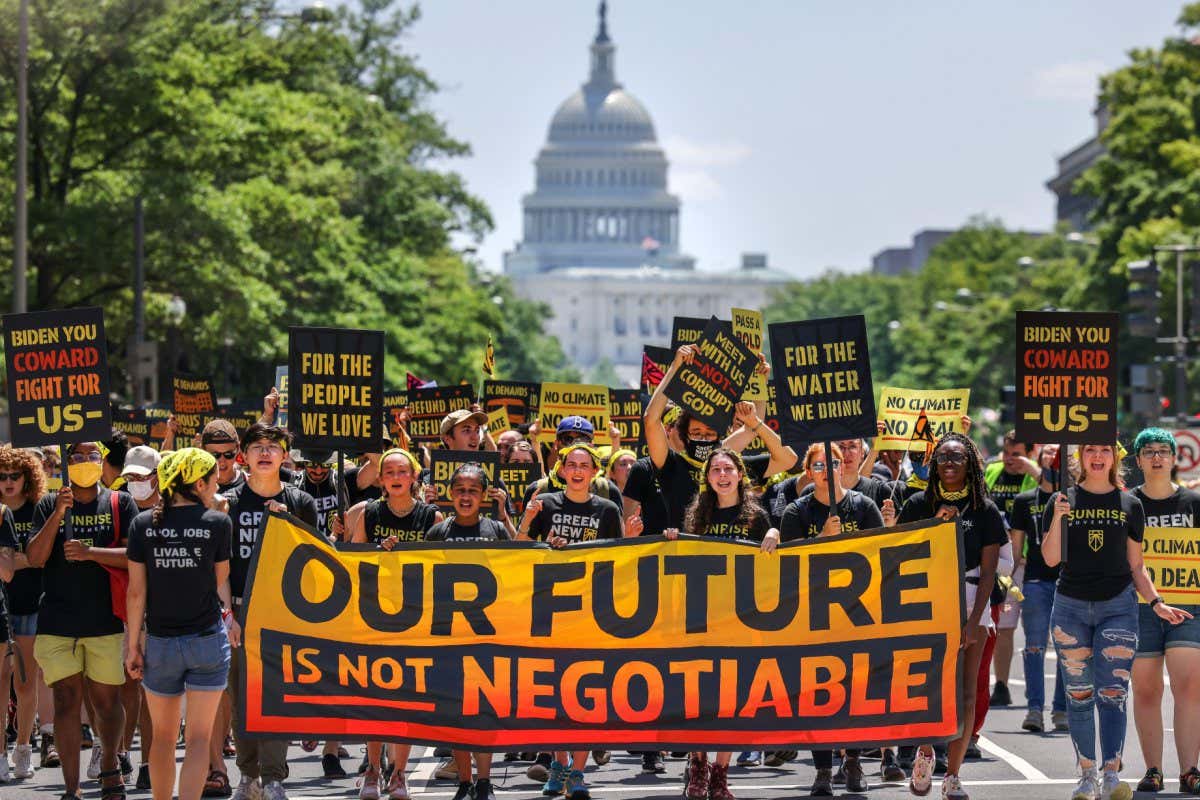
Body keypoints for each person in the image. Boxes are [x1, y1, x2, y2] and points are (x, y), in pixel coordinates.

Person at [1042, 443, 1192, 800]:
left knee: (1113, 694)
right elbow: (1050, 559)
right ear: (1080, 456)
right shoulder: (1061, 500)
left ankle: (1111, 774)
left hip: (1118, 607)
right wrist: (1060, 517)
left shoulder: (1130, 504)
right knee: (1079, 695)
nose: (1098, 456)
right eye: (1090, 450)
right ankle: (1086, 775)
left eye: (1105, 451)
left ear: (1115, 458)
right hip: (1070, 608)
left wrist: (1156, 602)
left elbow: (1137, 565)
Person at [662, 447, 776, 800]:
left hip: (743, 619)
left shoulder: (757, 516)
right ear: (707, 477)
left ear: (740, 474)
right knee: (700, 696)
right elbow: (684, 559)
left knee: (734, 698)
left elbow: (776, 558)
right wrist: (672, 542)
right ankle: (698, 765)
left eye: (728, 468)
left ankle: (721, 773)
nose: (722, 475)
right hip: (701, 616)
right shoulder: (697, 514)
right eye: (715, 470)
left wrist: (775, 533)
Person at [125, 448, 239, 800]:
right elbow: (219, 577)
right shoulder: (218, 522)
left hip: (160, 642)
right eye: (213, 480)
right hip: (206, 640)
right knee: (199, 739)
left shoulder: (142, 524)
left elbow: (136, 592)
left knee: (162, 737)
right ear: (199, 483)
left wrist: (133, 645)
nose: (217, 486)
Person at [27, 441, 138, 800]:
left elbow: (135, 557)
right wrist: (59, 513)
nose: (86, 461)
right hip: (58, 621)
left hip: (105, 620)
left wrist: (91, 553)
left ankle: (110, 764)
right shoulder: (49, 504)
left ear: (102, 461)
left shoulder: (120, 502)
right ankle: (71, 788)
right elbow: (35, 557)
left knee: (107, 703)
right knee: (65, 701)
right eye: (77, 456)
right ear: (67, 462)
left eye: (93, 456)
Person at [517, 443, 627, 800]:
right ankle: (559, 765)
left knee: (586, 696)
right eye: (571, 465)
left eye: (584, 465)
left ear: (595, 471)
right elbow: (518, 550)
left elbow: (620, 558)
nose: (578, 471)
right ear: (561, 470)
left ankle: (578, 772)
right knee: (552, 695)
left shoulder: (608, 509)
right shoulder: (545, 503)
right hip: (549, 612)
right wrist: (529, 524)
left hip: (591, 613)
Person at [898, 433, 1004, 800]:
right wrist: (934, 525)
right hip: (926, 599)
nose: (949, 463)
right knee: (929, 687)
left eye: (957, 457)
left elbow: (989, 572)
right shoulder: (918, 504)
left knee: (967, 693)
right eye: (943, 456)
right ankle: (926, 751)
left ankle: (953, 775)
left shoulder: (985, 509)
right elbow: (899, 554)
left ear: (970, 463)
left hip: (972, 599)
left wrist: (973, 622)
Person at [779, 443, 882, 795]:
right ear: (809, 472)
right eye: (819, 465)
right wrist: (822, 539)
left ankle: (852, 761)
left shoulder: (863, 506)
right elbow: (788, 564)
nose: (827, 470)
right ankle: (822, 769)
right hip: (813, 615)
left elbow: (881, 552)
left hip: (857, 615)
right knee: (817, 693)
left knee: (854, 692)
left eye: (833, 463)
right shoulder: (796, 511)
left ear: (842, 467)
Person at [223, 424, 318, 800]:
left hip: (283, 612)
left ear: (285, 456)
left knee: (276, 696)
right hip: (238, 612)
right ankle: (248, 776)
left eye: (273, 447)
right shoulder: (227, 502)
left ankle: (274, 778)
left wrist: (287, 523)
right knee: (241, 699)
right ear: (243, 455)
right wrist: (228, 615)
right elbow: (219, 566)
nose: (265, 452)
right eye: (257, 446)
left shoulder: (301, 502)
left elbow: (313, 561)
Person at [342, 448, 442, 800]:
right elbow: (355, 560)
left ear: (414, 477)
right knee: (376, 698)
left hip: (416, 620)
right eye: (389, 472)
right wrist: (377, 553)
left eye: (403, 471)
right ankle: (372, 769)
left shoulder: (431, 516)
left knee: (406, 701)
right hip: (376, 618)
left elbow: (442, 564)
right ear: (381, 480)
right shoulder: (369, 513)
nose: (396, 477)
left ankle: (399, 774)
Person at [425, 464, 507, 800]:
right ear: (450, 494)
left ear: (484, 495)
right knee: (455, 712)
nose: (466, 496)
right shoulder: (437, 533)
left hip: (487, 637)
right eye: (459, 489)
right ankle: (464, 781)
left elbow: (519, 571)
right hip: (448, 637)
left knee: (483, 712)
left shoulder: (497, 530)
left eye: (473, 490)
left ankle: (484, 782)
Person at [1125, 429, 1200, 794]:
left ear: (1174, 458)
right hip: (1140, 607)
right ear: (1138, 460)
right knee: (1146, 689)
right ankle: (1153, 769)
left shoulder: (1194, 503)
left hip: (1188, 604)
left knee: (1189, 685)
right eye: (1149, 452)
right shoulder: (1127, 503)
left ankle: (1189, 771)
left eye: (1163, 451)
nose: (1157, 457)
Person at [1007, 445, 1067, 735]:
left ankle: (1061, 709)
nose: (1052, 457)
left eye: (1058, 453)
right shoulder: (1024, 501)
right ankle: (1034, 709)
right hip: (1035, 581)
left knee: (1068, 647)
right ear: (1038, 460)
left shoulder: (1073, 499)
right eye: (1047, 453)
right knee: (1034, 646)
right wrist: (1007, 584)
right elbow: (1015, 549)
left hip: (1069, 583)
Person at [983, 432, 1042, 710]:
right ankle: (1002, 685)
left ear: (1030, 453)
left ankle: (1036, 693)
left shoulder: (1037, 475)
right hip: (1004, 565)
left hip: (1032, 565)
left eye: (1016, 454)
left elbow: (1054, 489)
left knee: (1035, 632)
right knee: (1004, 627)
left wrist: (1033, 468)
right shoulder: (993, 472)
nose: (1009, 459)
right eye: (1006, 453)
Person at [0, 445, 47, 781]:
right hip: (1, 605)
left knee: (25, 680)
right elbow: (24, 560)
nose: (8, 481)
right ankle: (2, 753)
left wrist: (22, 559)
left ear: (27, 476)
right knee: (1, 681)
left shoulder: (39, 509)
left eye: (14, 475)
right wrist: (26, 558)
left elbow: (40, 557)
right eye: (2, 476)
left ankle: (24, 747)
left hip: (30, 603)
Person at [118, 445, 162, 791]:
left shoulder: (170, 510)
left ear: (157, 477)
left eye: (141, 476)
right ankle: (120, 752)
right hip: (123, 610)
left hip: (161, 612)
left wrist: (91, 553)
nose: (135, 482)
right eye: (130, 476)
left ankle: (148, 762)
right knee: (126, 687)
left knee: (151, 692)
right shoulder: (120, 507)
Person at [291, 450, 341, 542]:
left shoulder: (341, 481)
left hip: (337, 548)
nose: (318, 471)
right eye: (312, 464)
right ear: (304, 462)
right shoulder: (294, 482)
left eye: (325, 464)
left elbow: (371, 468)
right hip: (304, 547)